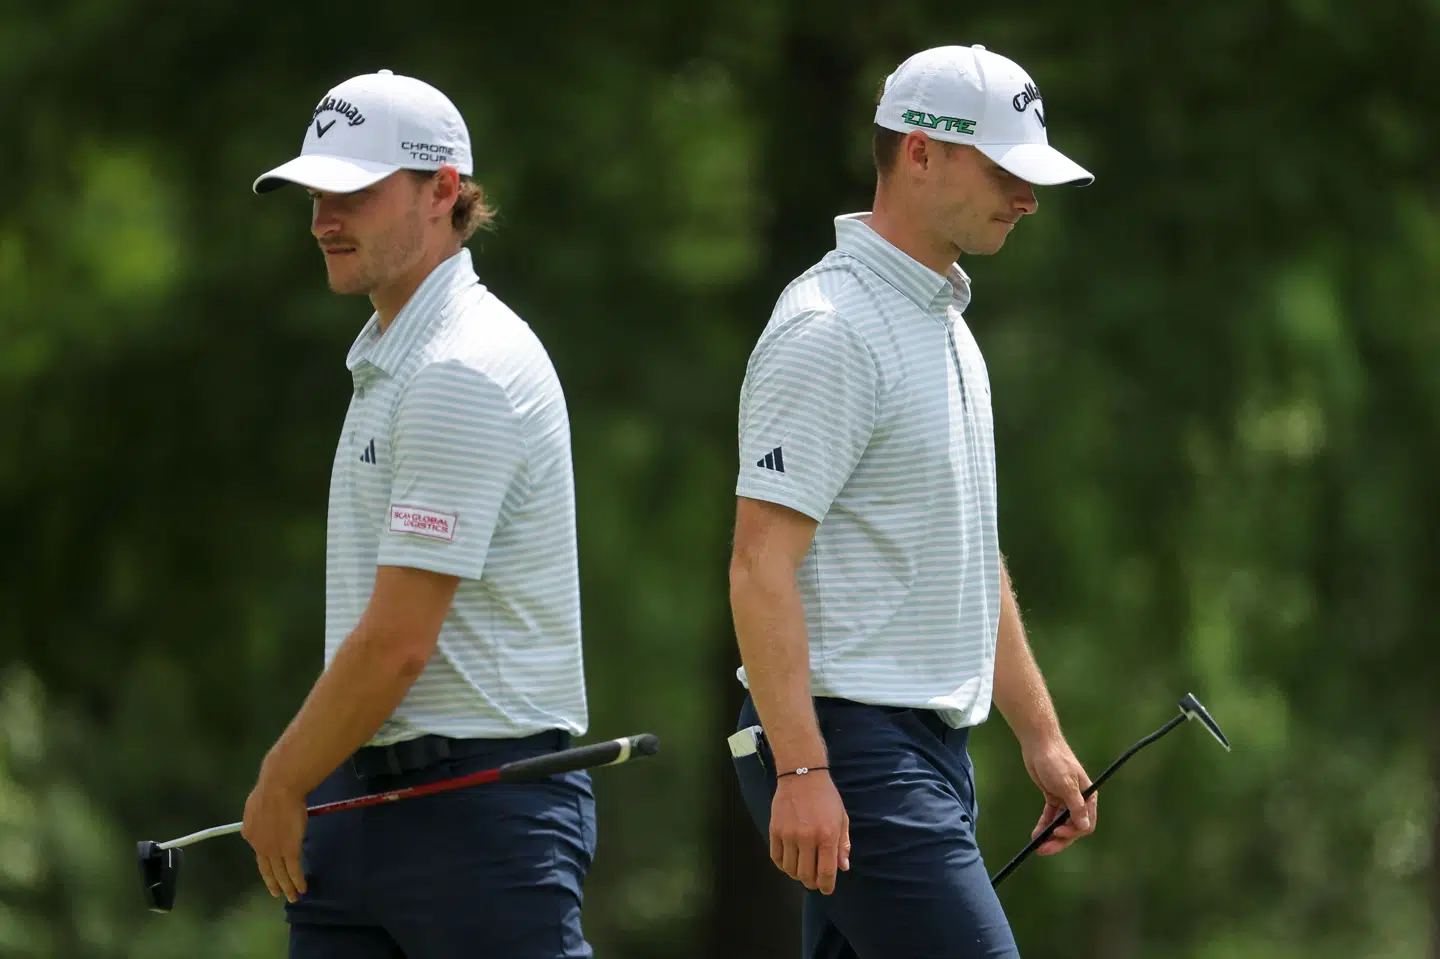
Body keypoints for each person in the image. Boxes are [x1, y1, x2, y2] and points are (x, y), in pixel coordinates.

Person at [726, 44, 1098, 958]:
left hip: (928, 751)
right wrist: (804, 765)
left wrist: (1040, 736)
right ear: (922, 151)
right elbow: (758, 563)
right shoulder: (831, 327)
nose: (1027, 196)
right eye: (1005, 169)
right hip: (849, 748)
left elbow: (971, 555)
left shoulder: (944, 328)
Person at [239, 69, 594, 958]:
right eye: (317, 192)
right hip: (361, 800)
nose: (324, 218)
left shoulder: (459, 367)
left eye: (353, 191)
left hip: (478, 814)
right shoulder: (397, 356)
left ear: (442, 191)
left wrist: (282, 779)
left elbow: (400, 640)